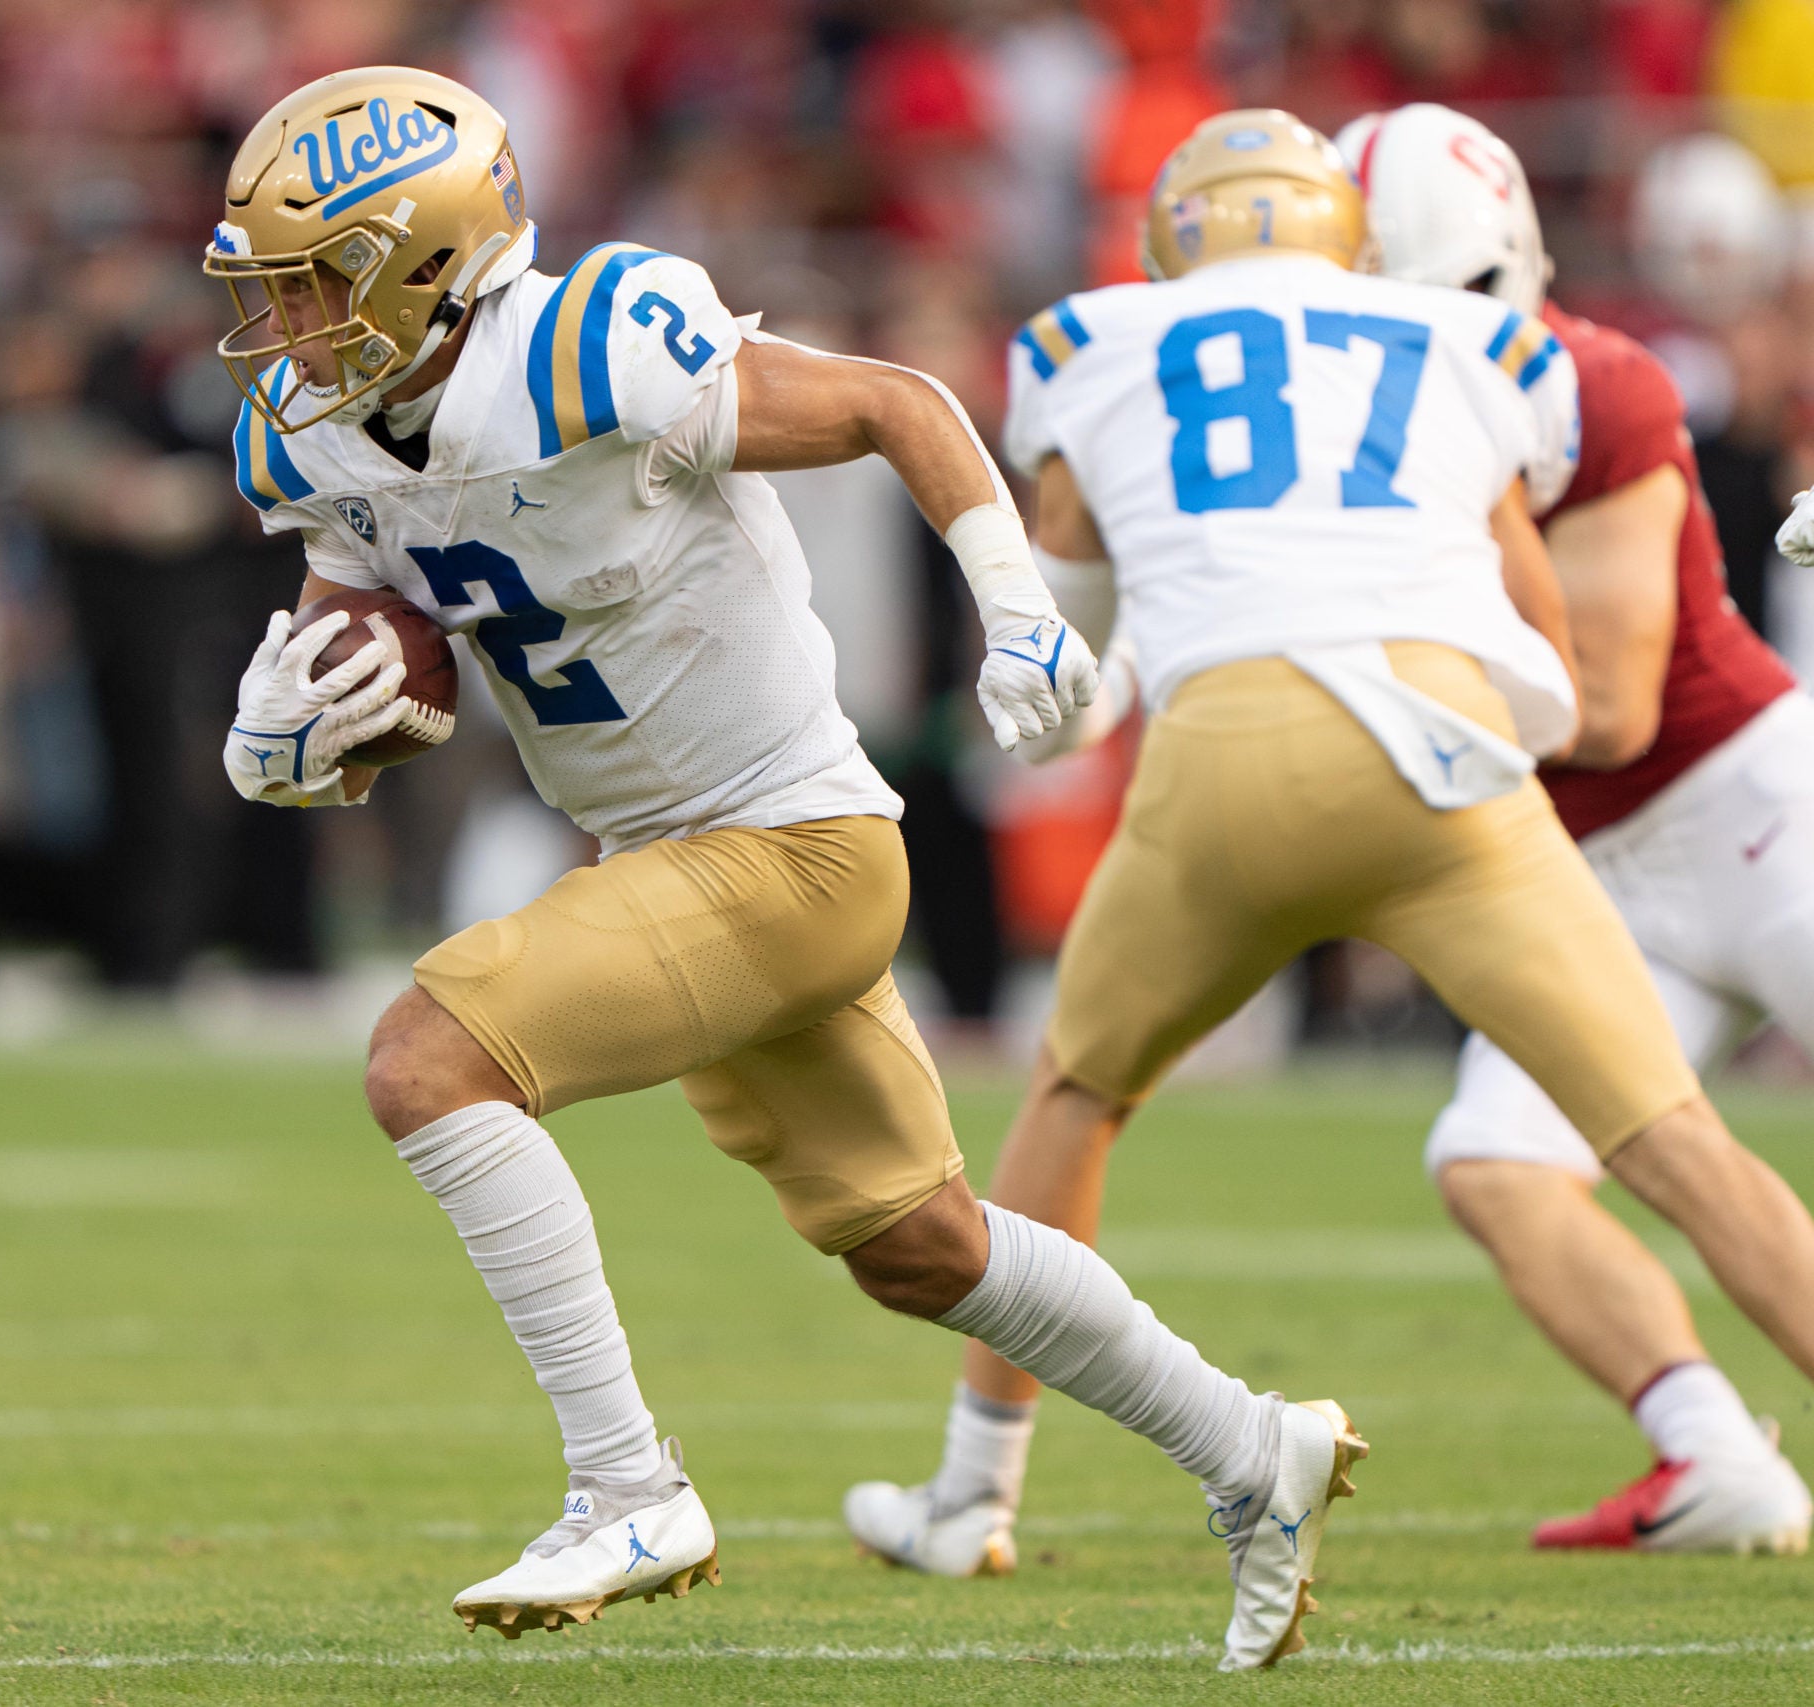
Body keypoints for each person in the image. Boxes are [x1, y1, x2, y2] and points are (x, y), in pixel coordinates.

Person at [209, 67, 1366, 1671]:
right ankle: (1254, 1448)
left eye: (315, 278)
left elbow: (897, 402)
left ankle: (626, 1485)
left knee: (432, 1057)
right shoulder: (311, 431)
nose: (288, 319)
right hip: (678, 862)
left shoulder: (593, 341)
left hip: (792, 842)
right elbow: (408, 666)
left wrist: (1017, 607)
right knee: (921, 1246)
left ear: (424, 261)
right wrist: (296, 740)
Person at [842, 109, 1814, 1580]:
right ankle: (1716, 1451)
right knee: (1606, 1147)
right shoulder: (1482, 365)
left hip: (1664, 806)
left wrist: (1181, 660)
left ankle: (975, 1493)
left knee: (1076, 1093)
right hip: (1478, 789)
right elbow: (1556, 684)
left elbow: (1061, 670)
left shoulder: (1102, 347)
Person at [1341, 104, 1814, 1553]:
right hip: (1597, 873)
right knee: (1492, 1159)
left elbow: (1604, 708)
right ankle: (1711, 1453)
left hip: (1747, 809)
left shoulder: (1593, 389)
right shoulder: (1353, 433)